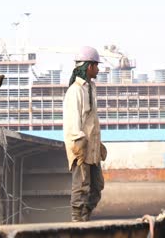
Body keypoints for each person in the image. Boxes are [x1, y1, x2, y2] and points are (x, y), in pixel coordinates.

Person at [63, 46, 107, 222]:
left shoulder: (91, 88)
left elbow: (91, 122)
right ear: (89, 66)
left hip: (92, 149)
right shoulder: (75, 91)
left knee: (97, 187)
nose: (98, 69)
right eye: (96, 65)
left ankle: (84, 219)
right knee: (81, 187)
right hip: (80, 148)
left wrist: (98, 144)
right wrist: (78, 144)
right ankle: (77, 221)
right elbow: (73, 121)